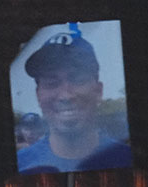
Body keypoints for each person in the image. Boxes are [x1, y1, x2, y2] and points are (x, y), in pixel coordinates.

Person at [16, 30, 133, 174]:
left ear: (98, 91)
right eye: (52, 83)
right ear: (38, 95)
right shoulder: (20, 166)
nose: (65, 95)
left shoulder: (127, 159)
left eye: (78, 80)